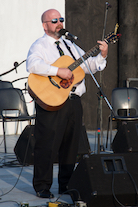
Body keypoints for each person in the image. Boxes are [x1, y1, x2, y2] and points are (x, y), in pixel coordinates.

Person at [26, 9, 108, 199]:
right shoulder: (40, 45)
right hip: (51, 101)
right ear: (45, 25)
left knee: (71, 146)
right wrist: (58, 70)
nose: (59, 23)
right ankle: (42, 186)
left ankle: (66, 184)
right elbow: (32, 65)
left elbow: (89, 67)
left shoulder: (70, 45)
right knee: (47, 144)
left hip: (73, 101)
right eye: (54, 20)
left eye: (61, 19)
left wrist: (102, 55)